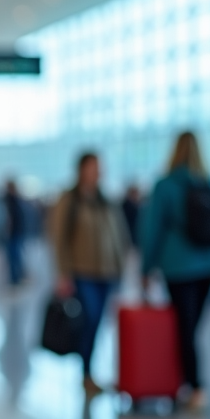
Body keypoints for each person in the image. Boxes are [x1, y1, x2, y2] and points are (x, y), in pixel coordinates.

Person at [139, 132, 210, 411]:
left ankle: (192, 384)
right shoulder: (209, 182)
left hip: (179, 264)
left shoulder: (165, 185)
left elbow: (153, 230)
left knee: (184, 327)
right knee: (194, 325)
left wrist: (146, 267)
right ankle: (191, 382)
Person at [49, 151, 130, 397]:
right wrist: (63, 273)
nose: (98, 172)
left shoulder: (105, 201)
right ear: (82, 169)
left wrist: (120, 269)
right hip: (82, 272)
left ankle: (88, 371)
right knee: (90, 319)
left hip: (106, 272)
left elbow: (119, 236)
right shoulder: (70, 200)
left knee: (96, 323)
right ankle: (86, 372)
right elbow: (58, 237)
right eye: (93, 167)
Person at [4, 179, 28, 286]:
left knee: (15, 257)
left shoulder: (12, 200)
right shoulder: (12, 200)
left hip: (15, 233)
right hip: (14, 233)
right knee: (15, 257)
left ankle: (16, 279)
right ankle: (16, 279)